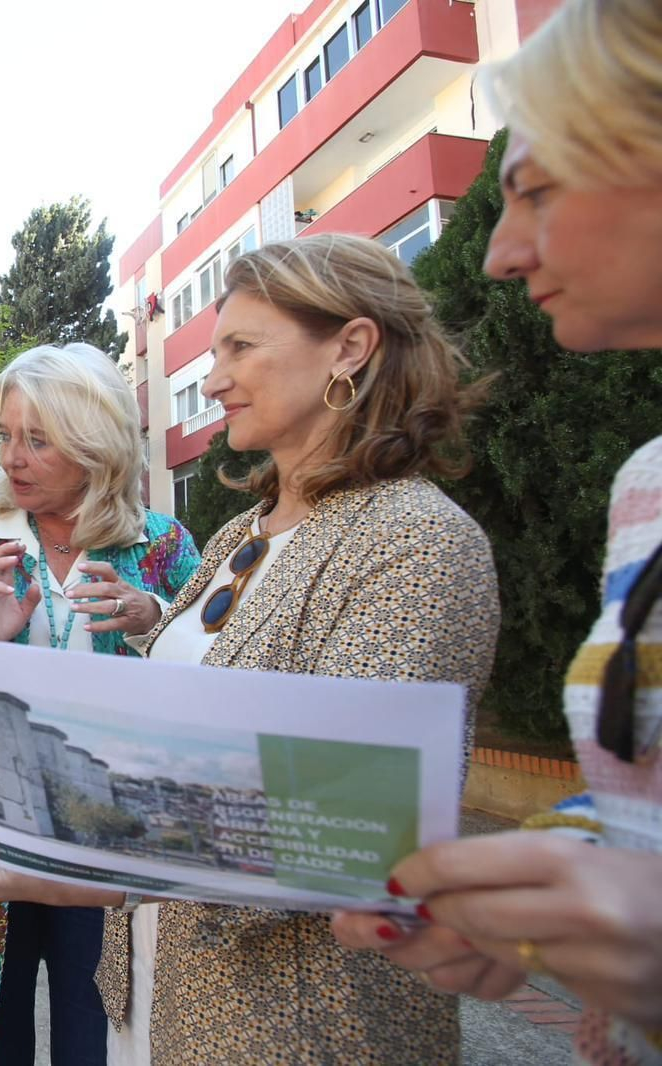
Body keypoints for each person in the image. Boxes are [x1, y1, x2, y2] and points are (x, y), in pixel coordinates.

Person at [0, 236, 501, 1065]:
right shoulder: (240, 539)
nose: (212, 379)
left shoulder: (415, 542)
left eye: (239, 347)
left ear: (350, 349)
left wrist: (21, 873)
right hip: (169, 995)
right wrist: (0, 874)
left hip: (292, 1026)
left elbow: (329, 837)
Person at [330, 2, 662, 1061]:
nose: (495, 255)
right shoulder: (644, 485)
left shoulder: (420, 536)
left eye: (535, 189)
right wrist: (531, 904)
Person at [0, 343, 202, 1066]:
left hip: (113, 844)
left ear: (95, 445)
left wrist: (152, 617)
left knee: (100, 1033)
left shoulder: (162, 546)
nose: (13, 458)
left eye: (37, 439)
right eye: (5, 437)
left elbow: (216, 671)